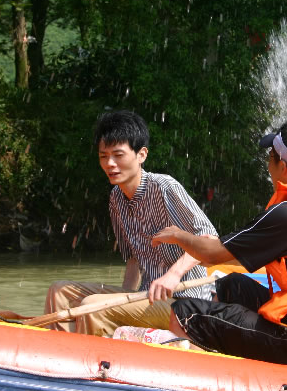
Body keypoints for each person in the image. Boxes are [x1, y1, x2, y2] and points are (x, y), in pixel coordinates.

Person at [151, 119, 287, 365]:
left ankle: (202, 379)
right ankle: (218, 344)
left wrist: (177, 235)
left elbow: (212, 254)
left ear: (285, 166)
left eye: (271, 155)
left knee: (184, 313)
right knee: (233, 284)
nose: (268, 163)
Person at [43, 110, 217, 336]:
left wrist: (173, 274)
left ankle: (93, 363)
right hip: (146, 297)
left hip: (185, 302)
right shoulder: (116, 198)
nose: (110, 164)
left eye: (118, 155)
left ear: (141, 155)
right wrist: (123, 300)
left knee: (90, 306)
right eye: (103, 156)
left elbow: (210, 237)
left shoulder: (164, 187)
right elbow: (133, 260)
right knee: (59, 291)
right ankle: (59, 354)